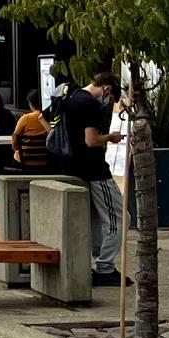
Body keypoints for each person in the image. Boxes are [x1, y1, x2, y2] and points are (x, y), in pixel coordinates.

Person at [60, 66, 124, 286]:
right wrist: (111, 137)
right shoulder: (90, 106)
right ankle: (105, 266)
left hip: (73, 166)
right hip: (95, 169)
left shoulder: (73, 96)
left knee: (96, 219)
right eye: (111, 97)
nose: (109, 102)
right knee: (118, 218)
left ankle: (100, 261)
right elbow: (91, 140)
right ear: (106, 89)